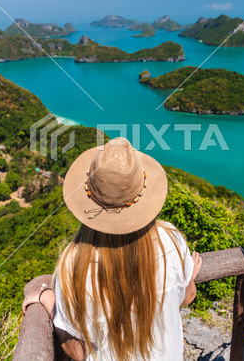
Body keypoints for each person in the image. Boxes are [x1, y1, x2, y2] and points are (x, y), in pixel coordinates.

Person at [22, 137, 202, 360]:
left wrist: (50, 301)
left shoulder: (74, 265)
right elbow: (187, 297)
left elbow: (77, 352)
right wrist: (188, 275)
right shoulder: (171, 240)